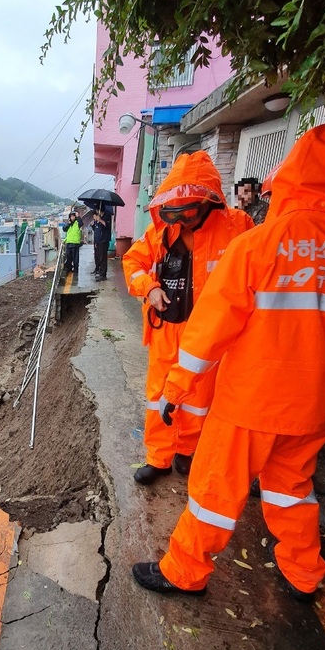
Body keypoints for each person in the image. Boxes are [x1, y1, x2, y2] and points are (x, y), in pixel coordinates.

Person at [131, 124, 325, 601]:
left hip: (251, 400)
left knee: (214, 490)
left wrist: (177, 387)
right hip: (313, 404)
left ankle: (185, 572)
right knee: (292, 488)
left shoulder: (259, 243)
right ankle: (305, 573)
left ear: (290, 176)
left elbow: (210, 332)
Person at [122, 151, 254, 485]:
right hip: (168, 327)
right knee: (159, 396)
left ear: (209, 201)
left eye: (188, 212)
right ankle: (159, 457)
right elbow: (132, 263)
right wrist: (149, 288)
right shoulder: (161, 232)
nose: (181, 220)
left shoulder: (239, 227)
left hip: (211, 333)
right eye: (176, 213)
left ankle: (187, 450)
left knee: (199, 396)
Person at [90, 203, 114, 280]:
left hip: (104, 240)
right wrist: (94, 224)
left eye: (97, 210)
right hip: (98, 240)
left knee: (103, 258)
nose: (97, 212)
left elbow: (107, 226)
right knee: (99, 257)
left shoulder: (107, 216)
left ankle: (103, 275)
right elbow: (97, 230)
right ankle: (99, 272)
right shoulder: (98, 218)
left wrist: (100, 220)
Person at [62, 209, 83, 274]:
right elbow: (64, 229)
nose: (72, 217)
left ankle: (76, 269)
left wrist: (78, 216)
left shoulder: (78, 223)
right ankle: (69, 268)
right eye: (71, 216)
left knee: (75, 258)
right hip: (69, 242)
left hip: (75, 243)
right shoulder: (69, 224)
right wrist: (68, 224)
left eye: (73, 216)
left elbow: (81, 223)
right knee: (69, 257)